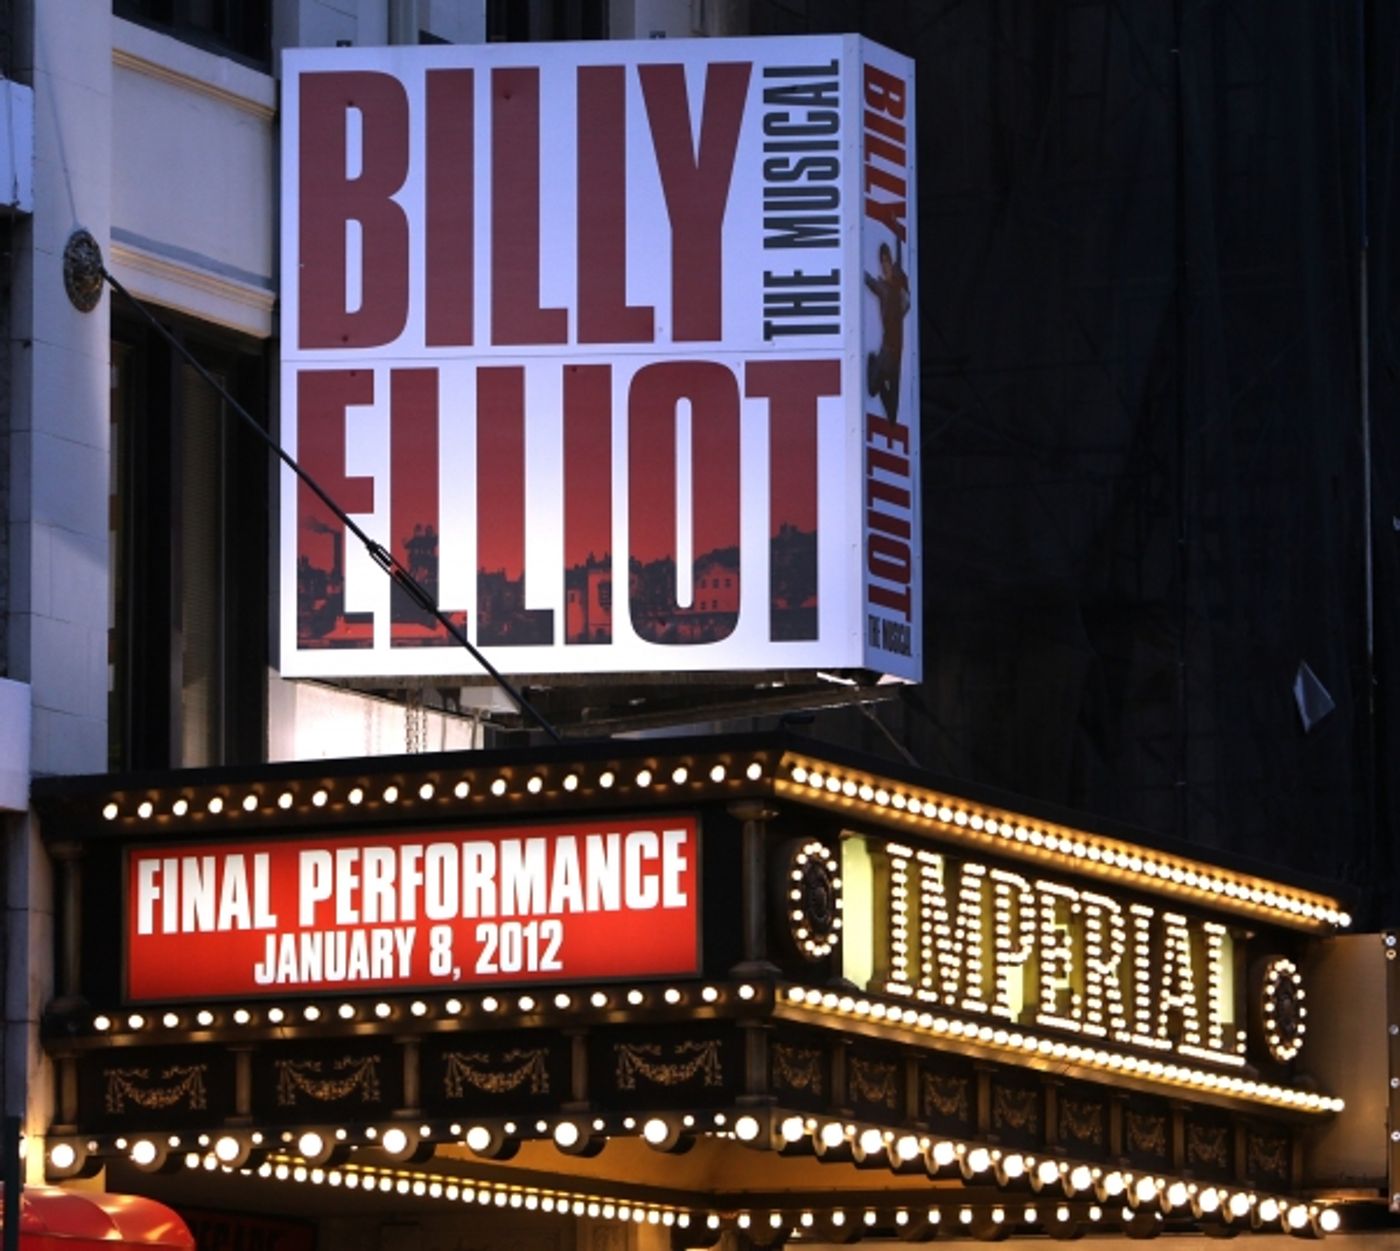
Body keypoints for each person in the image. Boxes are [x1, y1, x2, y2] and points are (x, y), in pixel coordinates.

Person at [865, 238, 911, 420]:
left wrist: (897, 232)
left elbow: (907, 302)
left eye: (887, 261)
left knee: (892, 416)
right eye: (882, 262)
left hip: (898, 352)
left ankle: (881, 373)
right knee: (871, 389)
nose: (885, 266)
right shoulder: (882, 287)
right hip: (886, 351)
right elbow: (868, 280)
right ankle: (873, 363)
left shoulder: (899, 281)